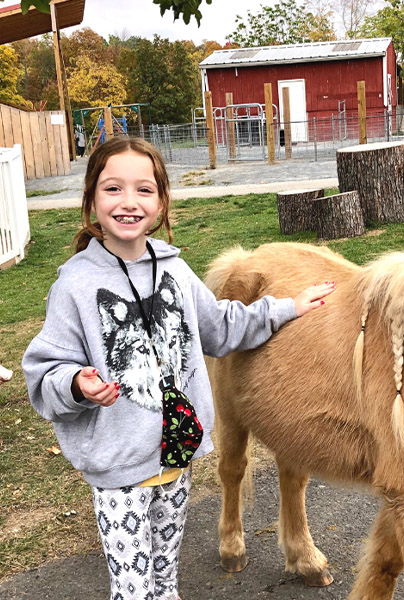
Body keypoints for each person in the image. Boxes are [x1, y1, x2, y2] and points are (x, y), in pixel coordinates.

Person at [22, 137, 335, 600]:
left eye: (144, 190)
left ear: (162, 201)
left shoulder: (175, 272)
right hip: (121, 470)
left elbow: (221, 327)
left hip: (175, 458)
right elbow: (43, 371)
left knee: (165, 582)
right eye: (113, 189)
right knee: (132, 591)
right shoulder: (76, 286)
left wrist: (286, 307)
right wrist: (74, 383)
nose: (129, 202)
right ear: (91, 199)